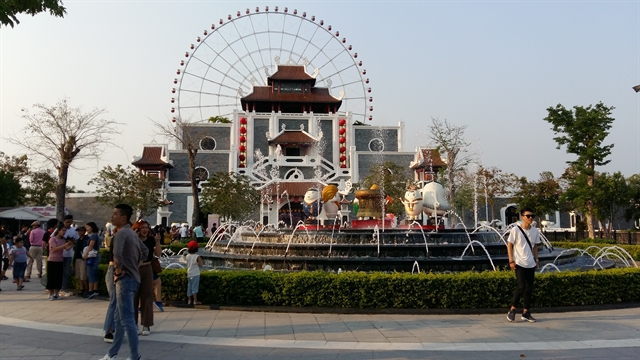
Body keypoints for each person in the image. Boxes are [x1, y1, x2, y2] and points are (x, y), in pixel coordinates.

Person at [100, 204, 147, 360]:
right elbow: (145, 251)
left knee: (126, 319)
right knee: (119, 319)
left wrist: (119, 271)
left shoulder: (120, 234)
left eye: (115, 214)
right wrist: (135, 265)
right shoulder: (132, 233)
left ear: (123, 218)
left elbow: (117, 255)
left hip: (125, 281)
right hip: (133, 279)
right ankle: (112, 353)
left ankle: (135, 356)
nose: (112, 216)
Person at [506, 207, 542, 323]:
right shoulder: (515, 230)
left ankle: (526, 312)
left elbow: (535, 246)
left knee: (529, 289)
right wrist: (511, 260)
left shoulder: (535, 231)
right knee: (521, 287)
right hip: (519, 263)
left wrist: (536, 260)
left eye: (532, 216)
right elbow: (509, 244)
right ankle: (512, 310)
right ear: (522, 217)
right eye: (528, 216)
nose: (531, 218)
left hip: (530, 263)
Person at [132, 219, 161, 335]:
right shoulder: (134, 239)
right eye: (142, 227)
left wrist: (157, 242)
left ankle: (146, 325)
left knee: (147, 297)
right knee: (133, 297)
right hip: (134, 269)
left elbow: (158, 254)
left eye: (146, 227)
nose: (144, 230)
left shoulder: (150, 240)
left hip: (147, 268)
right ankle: (133, 324)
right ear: (138, 228)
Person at [46, 224, 74, 300]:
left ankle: (56, 293)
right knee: (51, 278)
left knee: (58, 278)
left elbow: (66, 249)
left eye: (65, 231)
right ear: (58, 231)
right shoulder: (53, 239)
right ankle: (50, 294)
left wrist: (71, 245)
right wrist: (64, 245)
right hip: (52, 260)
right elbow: (54, 249)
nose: (64, 232)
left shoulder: (62, 240)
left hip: (60, 260)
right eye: (63, 230)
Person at [103, 227, 117, 343]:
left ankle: (114, 328)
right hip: (114, 271)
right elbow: (115, 259)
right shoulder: (117, 240)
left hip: (122, 272)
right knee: (114, 301)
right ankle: (109, 329)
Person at [61, 214, 78, 296]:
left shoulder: (74, 230)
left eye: (70, 222)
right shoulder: (59, 229)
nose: (68, 224)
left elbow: (76, 240)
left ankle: (63, 287)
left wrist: (71, 243)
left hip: (68, 254)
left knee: (66, 272)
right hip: (60, 254)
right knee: (59, 271)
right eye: (67, 222)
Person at [84, 222, 102, 299]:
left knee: (90, 273)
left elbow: (91, 245)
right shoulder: (96, 235)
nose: (86, 229)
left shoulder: (94, 235)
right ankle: (95, 290)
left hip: (92, 256)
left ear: (92, 227)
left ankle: (91, 291)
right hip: (96, 256)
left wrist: (86, 253)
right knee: (94, 273)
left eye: (88, 227)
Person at [186, 240, 203, 305]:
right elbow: (201, 264)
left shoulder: (187, 256)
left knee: (189, 286)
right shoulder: (197, 256)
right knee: (194, 287)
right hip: (195, 273)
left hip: (189, 273)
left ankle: (189, 300)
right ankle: (195, 301)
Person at [73, 226, 89, 296]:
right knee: (79, 275)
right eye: (79, 231)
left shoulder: (87, 239)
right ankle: (81, 288)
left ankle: (87, 288)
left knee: (83, 275)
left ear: (85, 231)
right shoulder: (78, 240)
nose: (80, 232)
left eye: (81, 231)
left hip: (83, 259)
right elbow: (75, 251)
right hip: (77, 258)